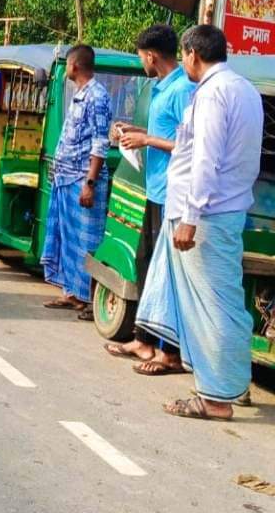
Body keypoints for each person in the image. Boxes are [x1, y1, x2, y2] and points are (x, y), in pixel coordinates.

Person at [135, 25, 263, 421]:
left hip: (206, 216)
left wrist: (189, 218)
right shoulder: (244, 90)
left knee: (211, 308)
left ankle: (216, 398)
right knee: (224, 303)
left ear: (191, 54)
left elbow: (204, 160)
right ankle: (231, 384)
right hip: (225, 211)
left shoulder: (210, 94)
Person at [104, 24, 196, 373]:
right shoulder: (160, 88)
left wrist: (146, 141)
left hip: (174, 192)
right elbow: (165, 134)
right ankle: (143, 339)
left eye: (141, 55)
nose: (141, 60)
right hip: (155, 188)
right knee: (147, 265)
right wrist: (135, 133)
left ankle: (168, 350)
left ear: (151, 55)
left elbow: (189, 143)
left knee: (168, 273)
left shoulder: (182, 90)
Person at [41, 44, 112, 318]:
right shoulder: (79, 94)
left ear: (74, 66)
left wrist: (90, 183)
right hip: (65, 177)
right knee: (67, 237)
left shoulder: (97, 96)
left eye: (68, 64)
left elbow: (99, 143)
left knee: (85, 241)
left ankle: (88, 298)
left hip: (83, 179)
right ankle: (71, 293)